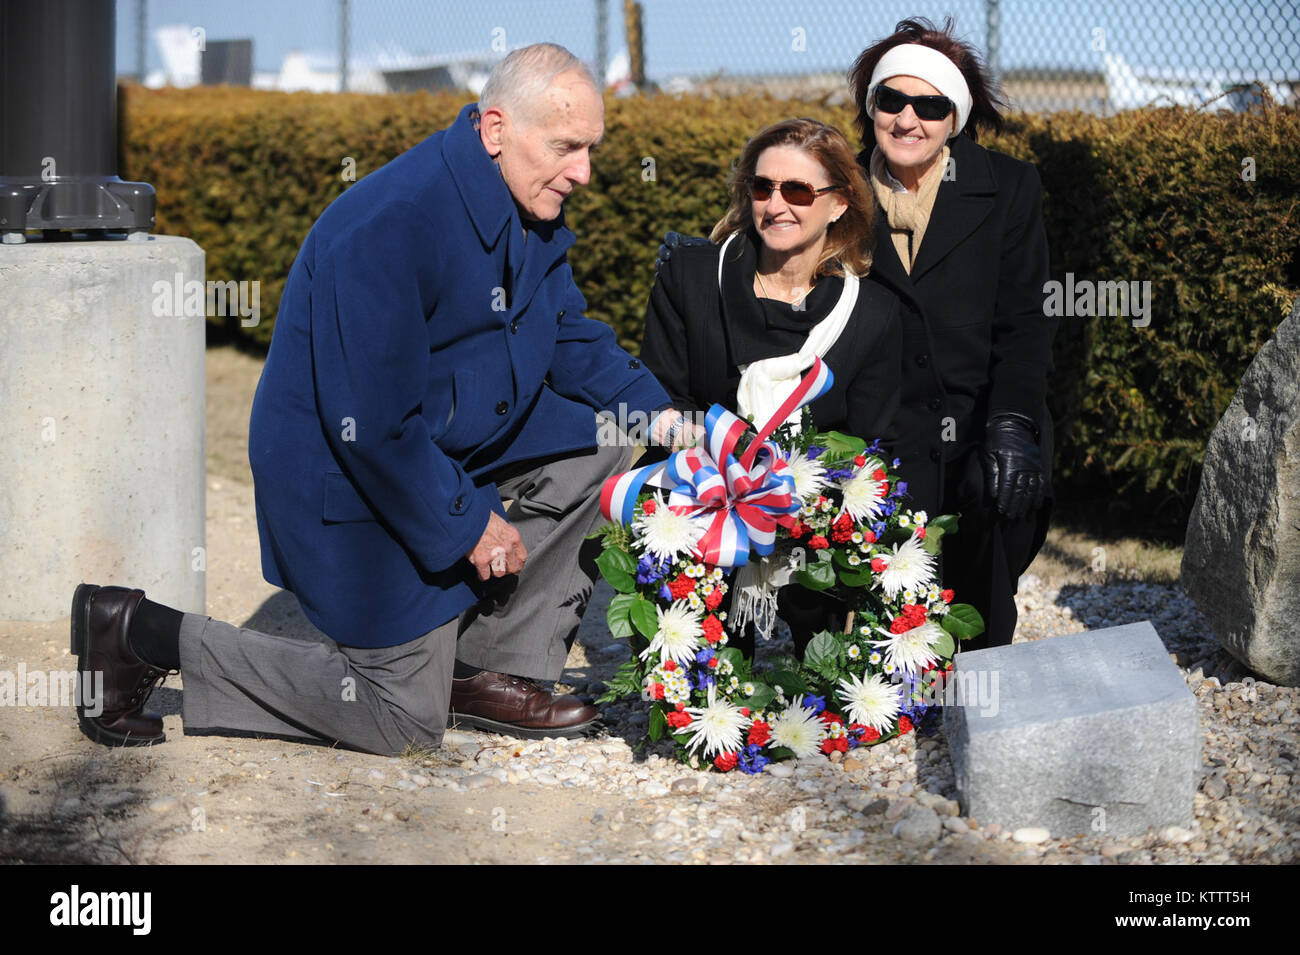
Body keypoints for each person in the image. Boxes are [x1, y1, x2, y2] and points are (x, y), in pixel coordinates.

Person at [71, 43, 694, 754]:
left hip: (443, 443)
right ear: (495, 130)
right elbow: (373, 427)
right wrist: (469, 527)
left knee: (607, 437)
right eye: (567, 147)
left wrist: (671, 420)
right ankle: (138, 630)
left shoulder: (525, 200)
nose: (583, 172)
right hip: (352, 482)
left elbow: (569, 333)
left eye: (591, 149)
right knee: (398, 716)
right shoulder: (393, 223)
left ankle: (487, 666)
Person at [640, 118, 901, 658]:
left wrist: (792, 491)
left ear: (839, 203)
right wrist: (731, 469)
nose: (776, 205)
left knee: (824, 678)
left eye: (799, 190)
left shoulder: (870, 314)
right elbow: (662, 395)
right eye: (763, 188)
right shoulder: (691, 278)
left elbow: (869, 439)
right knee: (705, 674)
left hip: (810, 515)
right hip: (704, 498)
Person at [848, 17, 1057, 650]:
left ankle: (981, 657)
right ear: (872, 106)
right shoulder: (839, 189)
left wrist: (1013, 421)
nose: (908, 119)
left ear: (955, 118)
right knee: (883, 644)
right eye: (892, 100)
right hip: (875, 425)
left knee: (996, 495)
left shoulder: (1008, 188)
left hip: (974, 419)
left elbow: (1025, 323)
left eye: (931, 105)